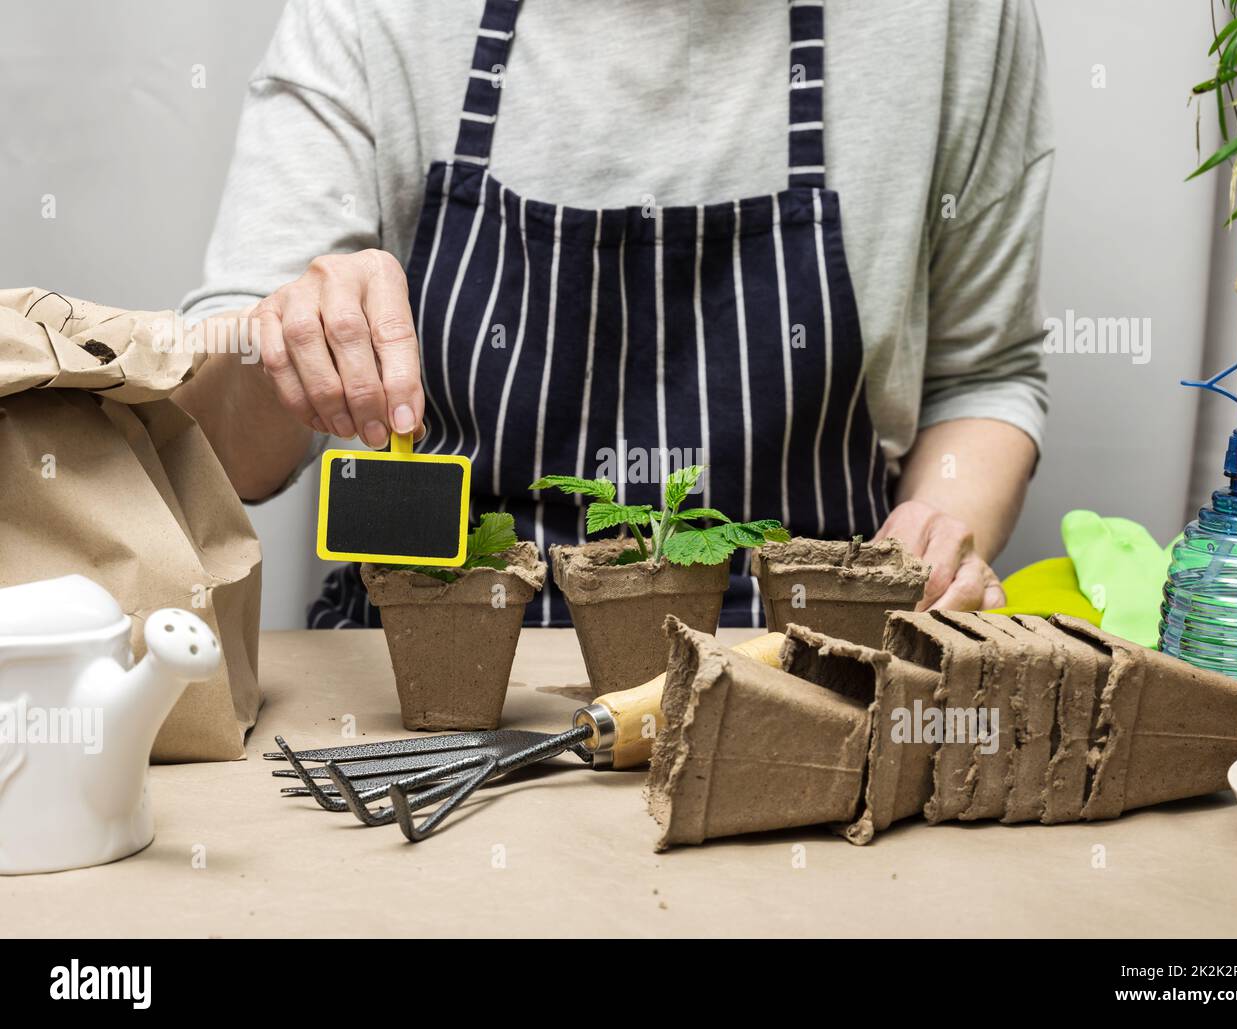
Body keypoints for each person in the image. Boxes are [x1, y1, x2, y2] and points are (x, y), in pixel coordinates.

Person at [176, 0, 1050, 628]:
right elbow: (221, 455)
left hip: (809, 661)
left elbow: (984, 375)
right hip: (440, 655)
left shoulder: (953, 19)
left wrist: (939, 520)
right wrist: (285, 343)